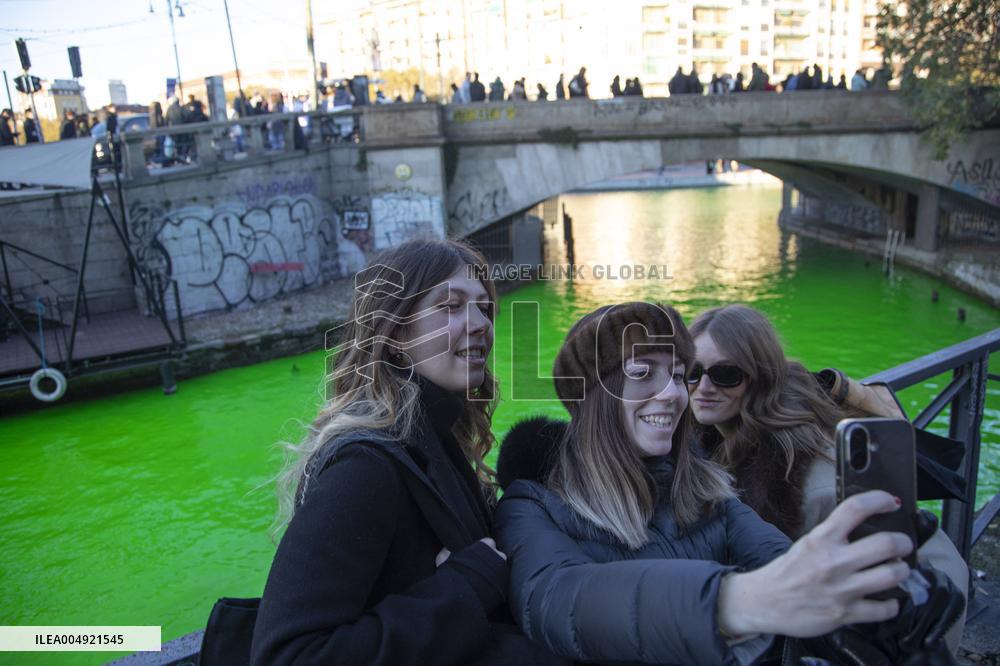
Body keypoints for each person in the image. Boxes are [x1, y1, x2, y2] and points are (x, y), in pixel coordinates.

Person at [494, 301, 965, 665]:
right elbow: (557, 600)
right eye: (642, 374)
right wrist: (740, 600)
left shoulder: (706, 488)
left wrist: (870, 606)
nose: (676, 392)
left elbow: (783, 562)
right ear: (592, 395)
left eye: (678, 374)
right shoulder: (532, 501)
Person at [251, 239, 567, 666]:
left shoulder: (437, 438)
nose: (479, 324)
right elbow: (286, 656)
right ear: (396, 332)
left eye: (483, 308)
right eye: (451, 307)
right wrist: (464, 586)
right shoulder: (365, 466)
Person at [687, 303, 970, 653]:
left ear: (758, 376)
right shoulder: (707, 440)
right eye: (691, 371)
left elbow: (942, 567)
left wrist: (908, 646)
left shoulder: (806, 474)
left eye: (725, 374)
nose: (703, 386)